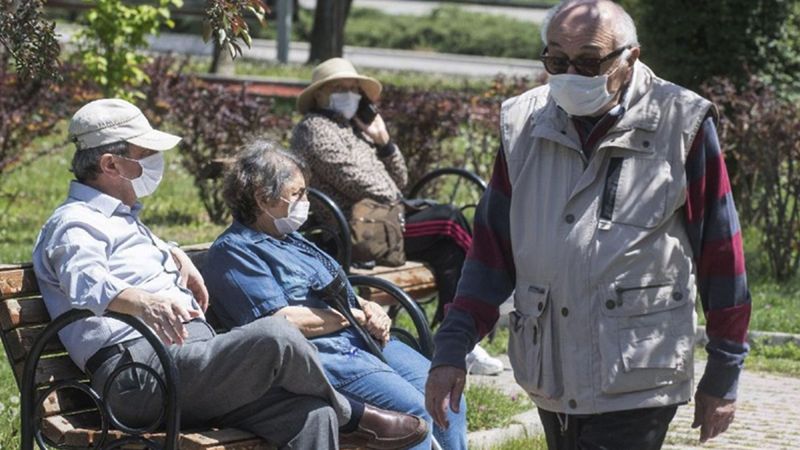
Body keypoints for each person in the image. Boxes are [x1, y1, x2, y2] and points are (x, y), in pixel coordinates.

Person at [426, 1, 752, 449]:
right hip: (550, 372)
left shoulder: (681, 121)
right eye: (557, 61)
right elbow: (490, 253)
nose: (570, 74)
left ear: (630, 58)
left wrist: (725, 368)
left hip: (637, 370)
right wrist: (452, 348)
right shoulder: (522, 123)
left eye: (587, 62)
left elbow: (721, 255)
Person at [32, 98, 428, 450]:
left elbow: (128, 260)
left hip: (192, 366)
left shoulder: (127, 223)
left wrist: (172, 253)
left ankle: (335, 414)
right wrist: (139, 300)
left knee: (310, 415)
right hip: (140, 375)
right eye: (146, 152)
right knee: (276, 335)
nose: (156, 160)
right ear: (110, 164)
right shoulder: (74, 223)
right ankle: (354, 415)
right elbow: (83, 281)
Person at [203, 140, 469, 450]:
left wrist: (370, 307)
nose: (306, 202)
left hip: (360, 339)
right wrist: (351, 316)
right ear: (263, 199)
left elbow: (338, 286)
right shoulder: (234, 252)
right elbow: (280, 321)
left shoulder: (291, 239)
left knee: (445, 395)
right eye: (297, 194)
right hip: (320, 358)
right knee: (414, 412)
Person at [291, 57, 504, 376]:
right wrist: (394, 195)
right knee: (447, 220)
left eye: (354, 89)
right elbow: (361, 182)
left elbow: (399, 180)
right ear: (320, 94)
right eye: (340, 88)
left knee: (448, 250)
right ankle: (496, 289)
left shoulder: (354, 129)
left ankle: (458, 342)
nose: (350, 94)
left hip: (383, 223)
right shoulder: (313, 130)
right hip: (352, 230)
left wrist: (384, 141)